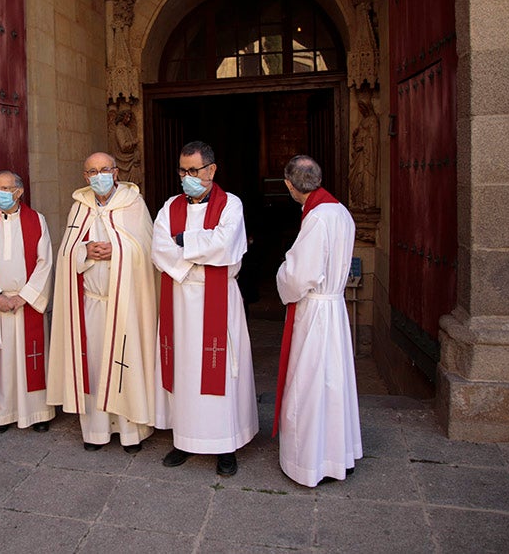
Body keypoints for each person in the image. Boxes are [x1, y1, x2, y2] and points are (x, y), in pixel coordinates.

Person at [152, 141, 258, 477]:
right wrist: (198, 260)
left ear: (211, 171)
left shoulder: (231, 205)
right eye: (182, 171)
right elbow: (159, 249)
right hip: (181, 301)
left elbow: (227, 246)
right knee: (184, 371)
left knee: (221, 371)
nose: (186, 177)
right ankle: (184, 440)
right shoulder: (170, 207)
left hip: (219, 300)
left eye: (193, 171)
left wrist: (186, 243)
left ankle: (225, 446)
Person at [47, 152, 156, 452]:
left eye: (104, 169)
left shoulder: (133, 203)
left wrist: (117, 251)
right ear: (85, 176)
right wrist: (85, 250)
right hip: (92, 303)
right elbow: (66, 253)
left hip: (126, 305)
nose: (98, 176)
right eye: (92, 171)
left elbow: (147, 250)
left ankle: (131, 432)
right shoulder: (79, 207)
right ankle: (96, 432)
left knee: (125, 364)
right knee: (93, 366)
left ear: (116, 172)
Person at [274, 155, 362, 487]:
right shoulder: (341, 211)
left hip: (315, 312)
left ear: (289, 184)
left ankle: (308, 462)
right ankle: (339, 454)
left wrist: (282, 271)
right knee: (334, 383)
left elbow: (300, 275)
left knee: (308, 385)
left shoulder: (317, 218)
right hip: (335, 307)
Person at [0, 170, 55, 433]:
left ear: (19, 191)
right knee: (1, 360)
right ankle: (0, 415)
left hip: (27, 302)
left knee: (32, 357)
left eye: (6, 189)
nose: (0, 194)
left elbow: (45, 263)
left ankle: (37, 413)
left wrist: (25, 296)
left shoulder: (36, 220)